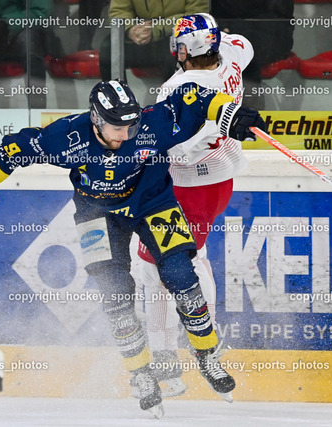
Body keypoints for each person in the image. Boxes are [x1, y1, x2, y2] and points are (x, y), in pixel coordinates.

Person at [0, 79, 265, 417]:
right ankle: (141, 373)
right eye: (117, 127)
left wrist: (231, 114)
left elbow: (194, 96)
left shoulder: (152, 123)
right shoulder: (66, 137)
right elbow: (15, 149)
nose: (126, 135)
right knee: (116, 297)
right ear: (96, 119)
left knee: (181, 277)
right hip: (97, 216)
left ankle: (207, 354)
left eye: (131, 125)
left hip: (153, 204)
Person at [135, 13, 253, 399]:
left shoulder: (176, 87)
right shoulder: (232, 53)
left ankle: (173, 359)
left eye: (179, 43)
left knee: (157, 267)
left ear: (187, 50)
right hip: (219, 181)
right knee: (187, 258)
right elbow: (243, 44)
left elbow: (177, 148)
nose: (175, 47)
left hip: (189, 188)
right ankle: (199, 348)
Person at [211, 0, 294, 110]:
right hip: (235, 34)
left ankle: (248, 115)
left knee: (244, 58)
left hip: (271, 35)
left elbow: (276, 16)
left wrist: (233, 29)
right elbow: (218, 16)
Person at [99, 0, 208, 81]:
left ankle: (171, 104)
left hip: (177, 34)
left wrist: (156, 29)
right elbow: (119, 11)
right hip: (141, 35)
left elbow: (196, 15)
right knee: (108, 50)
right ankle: (118, 104)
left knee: (176, 52)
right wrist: (131, 30)